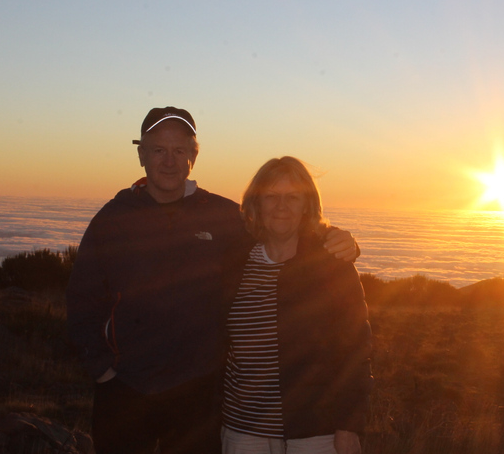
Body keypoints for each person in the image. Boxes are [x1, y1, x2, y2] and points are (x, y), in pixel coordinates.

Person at [66, 107, 359, 454]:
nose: (170, 161)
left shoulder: (224, 216)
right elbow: (81, 298)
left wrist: (334, 238)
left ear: (194, 156)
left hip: (199, 395)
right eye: (159, 150)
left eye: (180, 151)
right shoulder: (112, 219)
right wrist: (102, 371)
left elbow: (281, 232)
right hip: (126, 390)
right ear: (142, 154)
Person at [221, 156, 372, 454]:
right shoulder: (233, 264)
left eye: (292, 197)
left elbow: (356, 350)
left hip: (315, 432)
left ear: (307, 205)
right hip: (243, 430)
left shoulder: (331, 265)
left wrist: (349, 426)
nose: (281, 206)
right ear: (256, 204)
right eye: (271, 197)